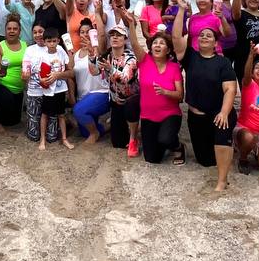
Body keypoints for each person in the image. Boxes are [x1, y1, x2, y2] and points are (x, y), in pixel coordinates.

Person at [183, 27, 238, 189]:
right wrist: (180, 9)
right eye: (201, 35)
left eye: (209, 35)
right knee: (206, 161)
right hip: (196, 118)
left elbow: (230, 89)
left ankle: (222, 181)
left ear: (216, 42)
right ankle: (226, 151)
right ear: (196, 40)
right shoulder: (190, 57)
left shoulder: (223, 62)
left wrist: (224, 112)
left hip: (219, 112)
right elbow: (176, 37)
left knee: (222, 134)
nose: (205, 37)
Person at [125, 24, 183, 165]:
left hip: (170, 114)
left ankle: (179, 147)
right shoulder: (144, 61)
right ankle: (161, 141)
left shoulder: (174, 67)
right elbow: (134, 43)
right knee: (153, 159)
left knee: (166, 139)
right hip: (148, 116)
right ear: (151, 48)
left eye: (162, 43)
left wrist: (165, 92)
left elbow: (180, 96)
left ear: (168, 50)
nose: (157, 45)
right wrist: (131, 25)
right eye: (155, 43)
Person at [23, 28, 73, 150]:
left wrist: (70, 53)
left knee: (60, 116)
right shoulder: (38, 53)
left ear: (58, 41)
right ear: (45, 42)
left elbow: (71, 70)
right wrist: (40, 80)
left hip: (60, 90)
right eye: (49, 41)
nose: (51, 43)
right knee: (44, 116)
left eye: (54, 41)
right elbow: (40, 72)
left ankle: (64, 138)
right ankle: (42, 139)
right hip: (47, 91)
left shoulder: (61, 51)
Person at [97, 21, 140, 156]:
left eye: (119, 35)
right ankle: (118, 126)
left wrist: (111, 69)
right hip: (115, 101)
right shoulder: (107, 55)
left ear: (125, 39)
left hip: (131, 101)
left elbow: (126, 78)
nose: (115, 38)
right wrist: (92, 56)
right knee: (117, 143)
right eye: (112, 35)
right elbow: (94, 71)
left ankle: (134, 135)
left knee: (131, 111)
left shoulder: (131, 58)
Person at [71, 21, 110, 144]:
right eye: (82, 32)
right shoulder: (76, 55)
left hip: (101, 92)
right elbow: (71, 75)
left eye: (87, 32)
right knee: (84, 132)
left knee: (78, 111)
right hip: (84, 96)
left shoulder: (98, 50)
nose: (84, 34)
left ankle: (95, 133)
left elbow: (102, 37)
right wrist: (72, 96)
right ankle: (108, 126)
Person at [0, 14, 27, 131]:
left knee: (13, 121)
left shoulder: (25, 46)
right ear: (5, 31)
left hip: (18, 88)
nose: (12, 31)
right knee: (6, 99)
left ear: (20, 31)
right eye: (9, 29)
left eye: (15, 29)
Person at [235, 57, 259, 174]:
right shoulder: (249, 85)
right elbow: (246, 73)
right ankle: (243, 158)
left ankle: (257, 150)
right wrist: (251, 55)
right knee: (249, 138)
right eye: (257, 68)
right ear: (252, 74)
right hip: (244, 130)